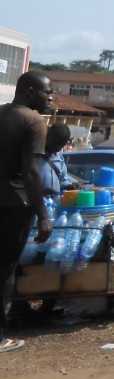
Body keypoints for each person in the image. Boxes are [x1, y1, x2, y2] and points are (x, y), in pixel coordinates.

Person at [0, 71, 55, 353]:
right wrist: (43, 215)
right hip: (14, 203)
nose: (51, 98)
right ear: (30, 91)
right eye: (47, 92)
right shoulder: (34, 122)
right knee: (5, 268)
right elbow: (32, 173)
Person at [39, 122, 73, 196]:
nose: (58, 147)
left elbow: (62, 178)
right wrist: (39, 192)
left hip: (54, 204)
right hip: (37, 203)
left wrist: (68, 185)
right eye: (56, 143)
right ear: (47, 137)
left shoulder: (59, 158)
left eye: (62, 144)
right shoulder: (34, 157)